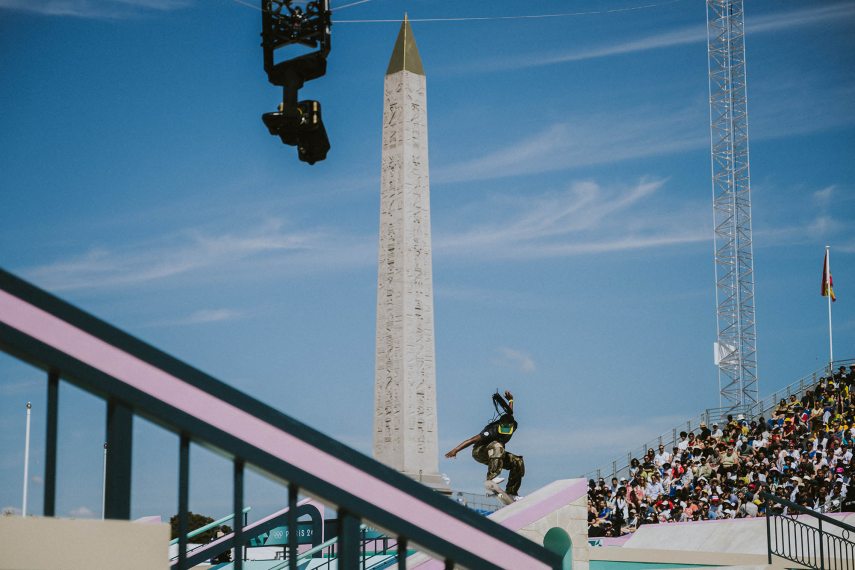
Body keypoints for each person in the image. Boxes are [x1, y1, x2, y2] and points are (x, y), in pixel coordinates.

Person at [445, 390, 525, 503]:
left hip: (497, 456)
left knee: (517, 462)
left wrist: (511, 400)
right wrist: (455, 450)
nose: (505, 432)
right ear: (500, 425)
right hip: (480, 452)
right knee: (497, 446)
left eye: (508, 429)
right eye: (503, 429)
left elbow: (509, 414)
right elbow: (472, 440)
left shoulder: (513, 424)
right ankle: (491, 479)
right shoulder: (492, 430)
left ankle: (512, 492)